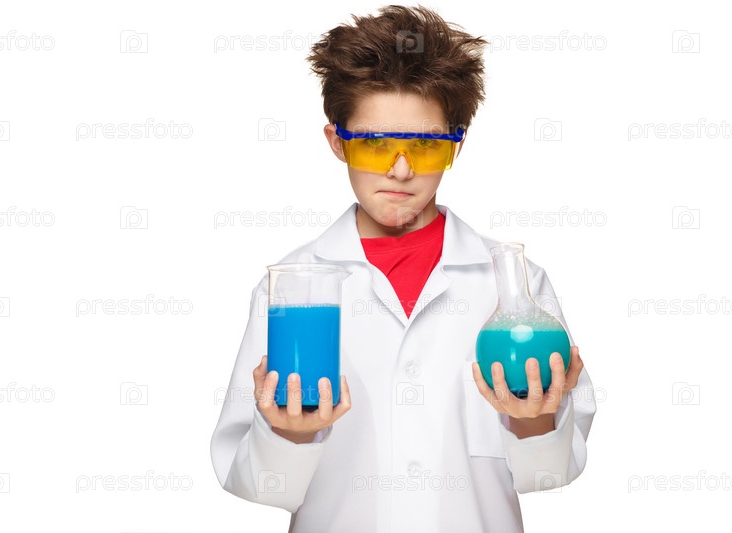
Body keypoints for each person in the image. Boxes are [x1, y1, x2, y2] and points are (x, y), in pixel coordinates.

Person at [211, 5, 596, 532]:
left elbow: (550, 474)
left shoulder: (515, 286)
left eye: (424, 146)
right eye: (374, 144)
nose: (400, 170)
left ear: (456, 146)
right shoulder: (291, 286)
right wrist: (290, 434)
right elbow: (257, 486)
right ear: (337, 142)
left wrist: (536, 422)